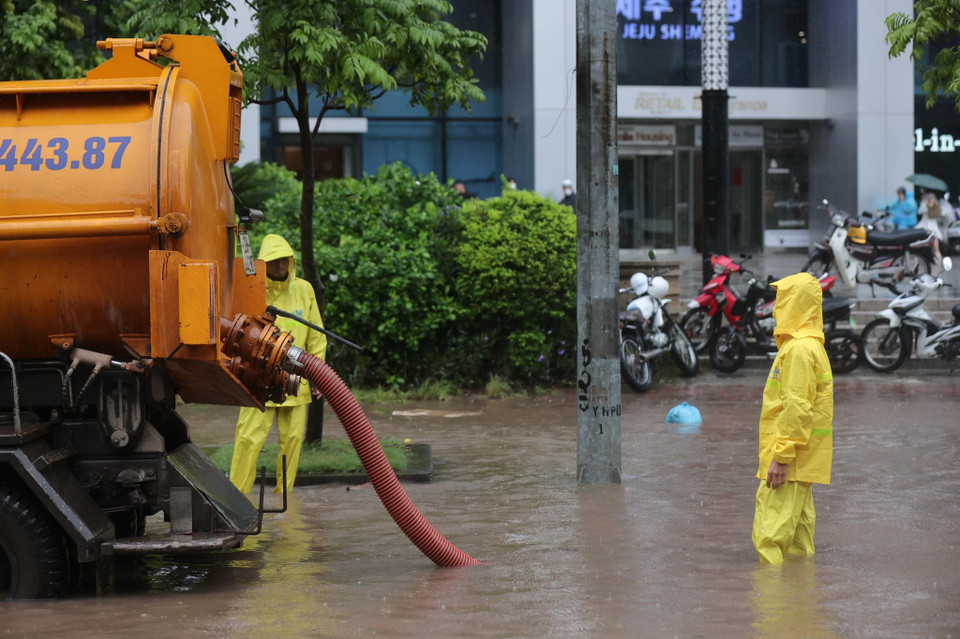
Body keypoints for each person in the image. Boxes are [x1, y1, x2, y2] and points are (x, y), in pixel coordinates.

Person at [229, 234, 327, 495]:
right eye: (274, 261)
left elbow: (317, 335)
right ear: (264, 263)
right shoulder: (252, 289)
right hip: (256, 380)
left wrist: (318, 373)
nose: (280, 267)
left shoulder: (304, 289)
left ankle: (285, 499)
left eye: (284, 260)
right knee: (248, 440)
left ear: (291, 261)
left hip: (295, 380)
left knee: (293, 442)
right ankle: (237, 498)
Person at [752, 272, 834, 565]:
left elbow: (798, 407)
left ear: (796, 303)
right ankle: (798, 602)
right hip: (802, 463)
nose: (777, 306)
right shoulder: (811, 346)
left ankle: (772, 607)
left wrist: (782, 457)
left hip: (790, 462)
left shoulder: (799, 349)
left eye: (783, 299)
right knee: (798, 546)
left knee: (769, 538)